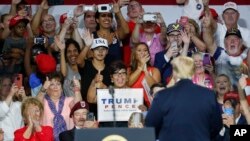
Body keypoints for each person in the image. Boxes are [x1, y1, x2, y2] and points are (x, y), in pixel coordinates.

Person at [145, 56, 222, 141]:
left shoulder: (162, 96)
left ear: (174, 72)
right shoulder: (208, 95)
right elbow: (216, 126)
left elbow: (150, 126)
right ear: (193, 72)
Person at [36, 72, 82, 141]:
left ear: (61, 86)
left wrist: (77, 89)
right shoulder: (43, 101)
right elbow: (36, 104)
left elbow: (78, 106)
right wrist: (43, 88)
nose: (55, 87)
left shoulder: (68, 100)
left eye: (58, 84)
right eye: (52, 84)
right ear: (47, 87)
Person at [128, 42, 161, 108]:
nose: (143, 52)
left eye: (145, 50)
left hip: (151, 108)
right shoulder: (129, 70)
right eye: (139, 50)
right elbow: (128, 83)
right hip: (133, 107)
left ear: (148, 54)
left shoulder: (155, 70)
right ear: (134, 55)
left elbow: (155, 89)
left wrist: (145, 70)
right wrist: (140, 68)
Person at [0, 74, 26, 141]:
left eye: (10, 85)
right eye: (5, 85)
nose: (8, 87)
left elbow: (30, 113)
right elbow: (1, 112)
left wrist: (24, 97)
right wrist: (11, 94)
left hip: (21, 138)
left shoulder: (18, 104)